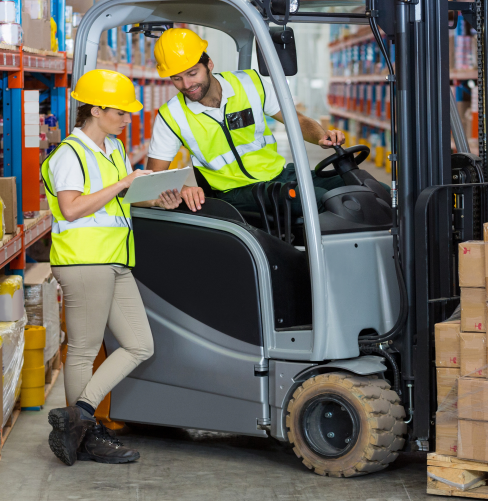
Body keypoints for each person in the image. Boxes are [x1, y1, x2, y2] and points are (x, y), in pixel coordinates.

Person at [41, 69, 181, 466]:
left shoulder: (114, 149)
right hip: (84, 260)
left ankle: (78, 416)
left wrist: (154, 199)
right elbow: (71, 208)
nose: (127, 119)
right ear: (96, 110)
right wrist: (122, 185)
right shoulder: (70, 153)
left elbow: (120, 201)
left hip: (114, 258)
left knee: (140, 343)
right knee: (84, 351)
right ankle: (85, 436)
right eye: (120, 112)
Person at [145, 28, 347, 214]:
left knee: (356, 185)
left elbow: (298, 120)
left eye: (192, 73)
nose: (187, 85)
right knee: (324, 201)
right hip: (235, 192)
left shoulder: (250, 83)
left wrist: (322, 136)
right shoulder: (171, 115)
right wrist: (183, 188)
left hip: (280, 176)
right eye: (176, 78)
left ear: (209, 64)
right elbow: (154, 174)